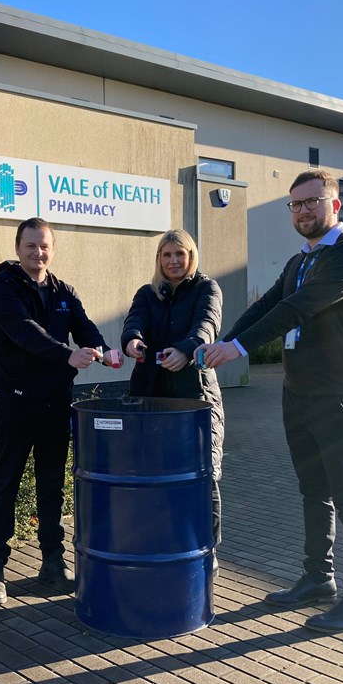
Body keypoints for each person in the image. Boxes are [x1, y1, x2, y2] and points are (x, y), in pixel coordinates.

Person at [198, 169, 343, 632]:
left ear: (335, 205)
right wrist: (224, 340)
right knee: (313, 489)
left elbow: (297, 309)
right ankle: (318, 578)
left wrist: (237, 350)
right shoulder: (300, 260)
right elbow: (267, 305)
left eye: (312, 202)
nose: (302, 211)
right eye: (295, 204)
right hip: (298, 390)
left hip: (340, 392)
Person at [0, 217, 123, 606]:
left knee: (52, 487)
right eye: (31, 246)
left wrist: (104, 349)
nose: (38, 252)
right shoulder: (3, 289)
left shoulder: (63, 290)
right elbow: (25, 332)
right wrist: (69, 355)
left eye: (44, 246)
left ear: (52, 249)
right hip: (15, 403)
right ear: (18, 248)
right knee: (5, 484)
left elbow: (84, 326)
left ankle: (52, 562)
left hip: (54, 404)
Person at [121, 229, 224, 569]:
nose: (174, 261)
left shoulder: (207, 289)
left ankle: (206, 552)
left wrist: (186, 350)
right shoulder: (147, 293)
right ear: (159, 260)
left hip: (193, 398)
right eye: (167, 255)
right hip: (150, 400)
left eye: (180, 254)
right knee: (153, 474)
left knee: (201, 475)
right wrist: (132, 341)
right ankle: (162, 544)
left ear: (191, 256)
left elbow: (207, 325)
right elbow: (134, 321)